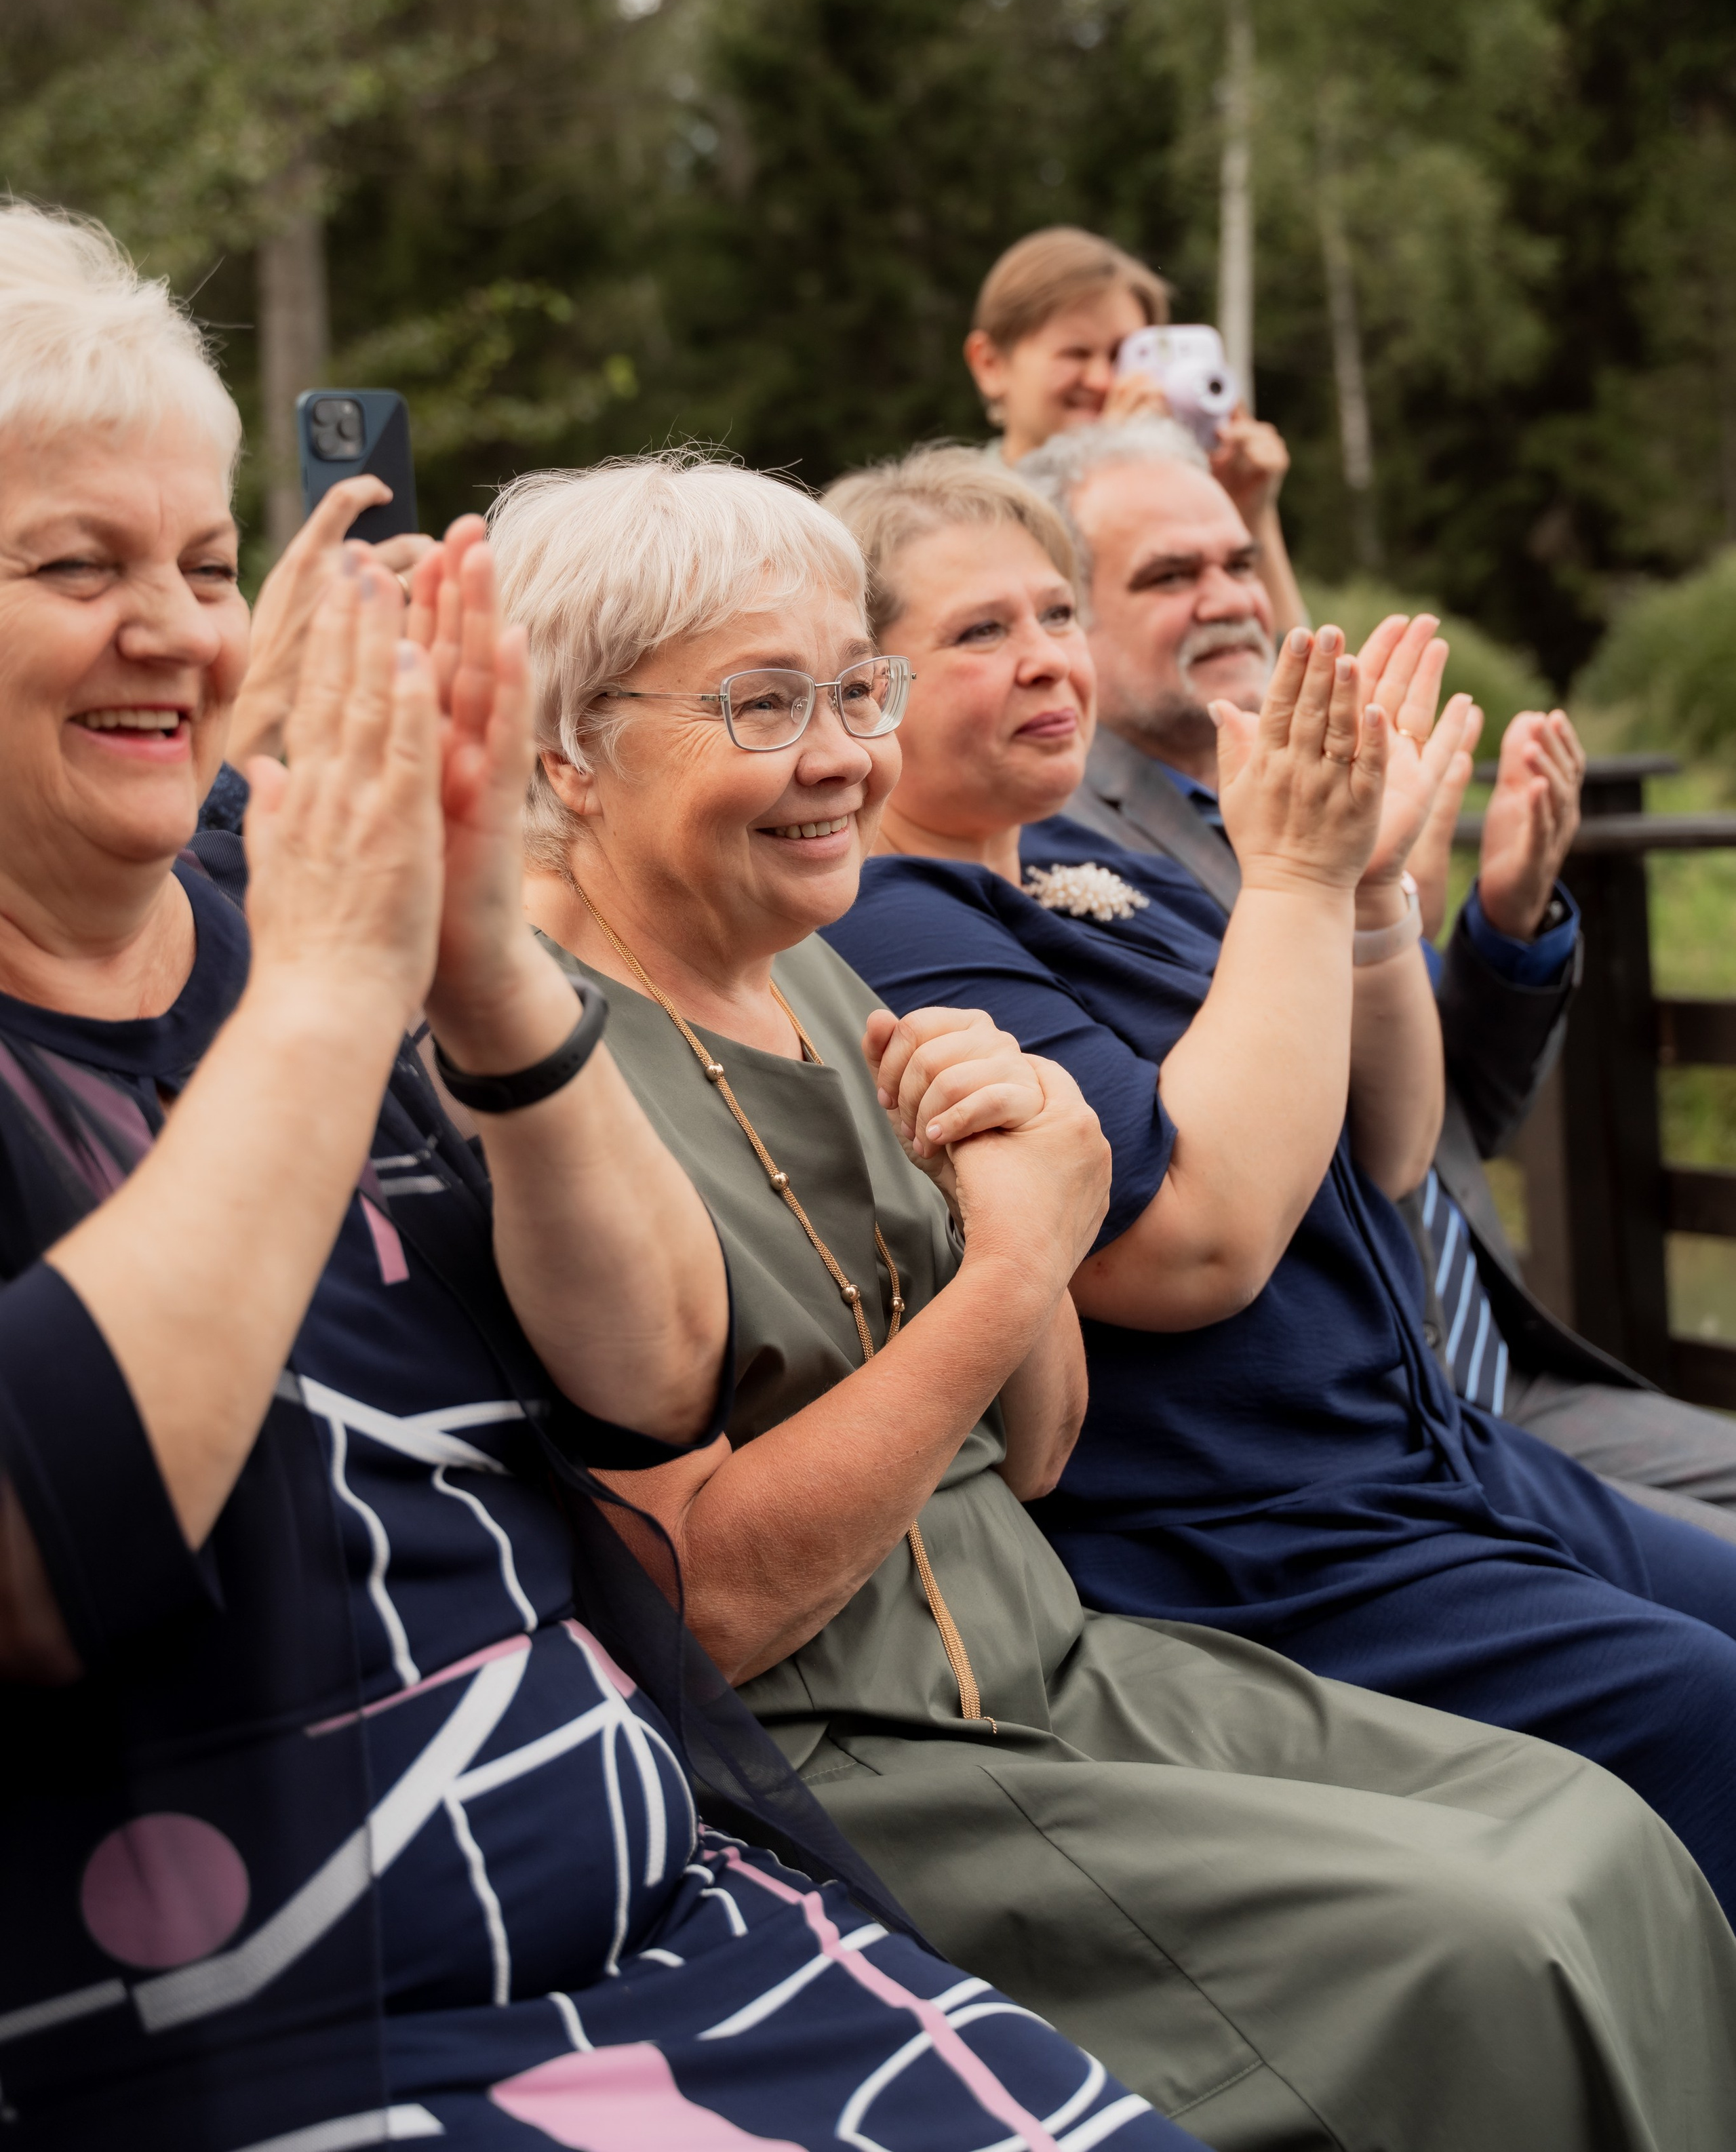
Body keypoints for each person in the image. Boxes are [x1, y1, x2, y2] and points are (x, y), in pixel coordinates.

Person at [0, 205, 1204, 2152]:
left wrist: (477, 959)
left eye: (207, 564)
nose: (181, 629)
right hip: (298, 2024)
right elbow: (52, 1553)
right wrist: (334, 990)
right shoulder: (294, 967)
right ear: (591, 754)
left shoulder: (313, 946)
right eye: (79, 565)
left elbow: (646, 1370)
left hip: (690, 1907)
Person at [493, 445, 1736, 2152]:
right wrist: (1016, 1255)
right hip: (853, 1749)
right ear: (565, 741)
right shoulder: (542, 1060)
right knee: (1491, 1934)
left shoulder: (814, 961)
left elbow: (1045, 1440)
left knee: (1599, 1836)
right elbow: (705, 1607)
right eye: (768, 701)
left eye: (853, 687)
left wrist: (1033, 1179)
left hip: (1067, 1652)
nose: (843, 754)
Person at [820, 442, 1736, 1928]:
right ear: (865, 691)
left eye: (1056, 615)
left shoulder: (1070, 864)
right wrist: (1298, 883)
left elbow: (1384, 1146)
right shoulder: (896, 919)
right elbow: (1188, 1253)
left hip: (1429, 1461)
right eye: (979, 634)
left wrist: (1368, 898)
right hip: (1257, 1539)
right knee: (1709, 1715)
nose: (1047, 661)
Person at [1025, 414, 1736, 1542]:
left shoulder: (1314, 787)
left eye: (1241, 562)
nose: (1227, 596)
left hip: (1509, 1371)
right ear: (1062, 620)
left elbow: (1460, 1123)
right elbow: (1295, 1153)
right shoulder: (1048, 847)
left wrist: (1506, 921)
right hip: (1362, 1422)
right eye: (1170, 574)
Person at [965, 226, 1305, 633]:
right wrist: (1100, 471)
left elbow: (1272, 667)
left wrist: (1251, 515)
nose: (1102, 380)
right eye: (1076, 353)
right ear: (990, 365)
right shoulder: (960, 510)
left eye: (1121, 355)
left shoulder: (1179, 503)